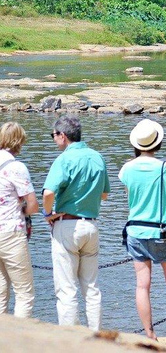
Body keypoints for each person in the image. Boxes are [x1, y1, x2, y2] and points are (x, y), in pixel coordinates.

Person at [43, 115, 110, 330]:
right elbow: (105, 194)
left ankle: (70, 338)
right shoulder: (98, 157)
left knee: (66, 288)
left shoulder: (63, 159)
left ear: (63, 136)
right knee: (91, 287)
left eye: (54, 135)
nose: (54, 140)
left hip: (67, 225)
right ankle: (96, 334)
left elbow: (48, 192)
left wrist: (48, 214)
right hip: (91, 225)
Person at [119, 119, 166, 339]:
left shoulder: (127, 168)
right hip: (163, 232)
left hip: (136, 232)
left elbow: (130, 196)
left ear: (136, 144)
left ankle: (149, 333)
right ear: (158, 143)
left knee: (142, 286)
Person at [0, 122, 38, 318]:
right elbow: (32, 205)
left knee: (0, 292)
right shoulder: (16, 167)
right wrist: (24, 210)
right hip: (11, 232)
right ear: (18, 142)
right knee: (24, 293)